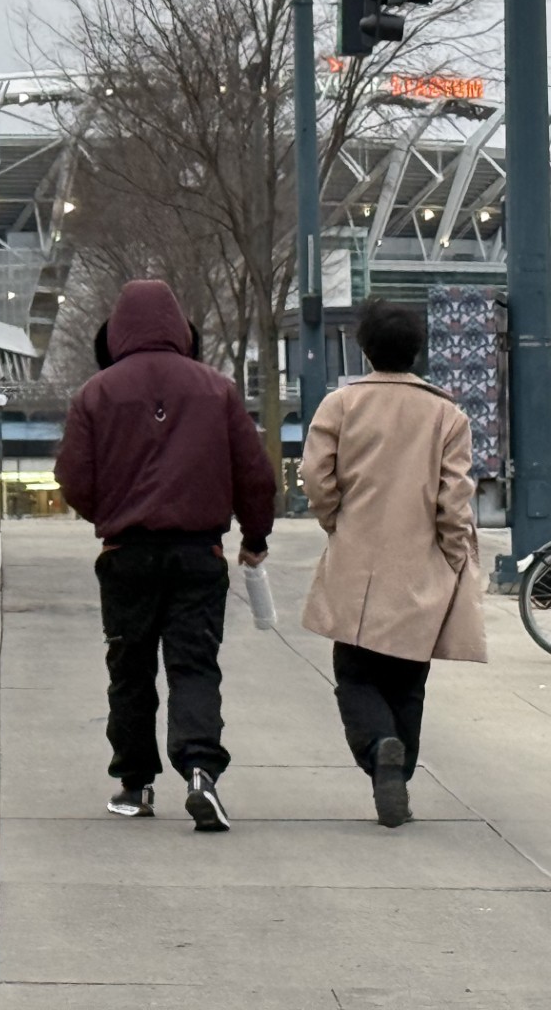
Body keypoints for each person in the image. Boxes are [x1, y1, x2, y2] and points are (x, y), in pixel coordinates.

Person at [56, 280, 276, 831]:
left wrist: (110, 515)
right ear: (182, 331)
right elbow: (254, 475)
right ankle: (201, 770)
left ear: (116, 333)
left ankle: (134, 785)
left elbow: (72, 478)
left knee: (130, 670)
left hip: (126, 554)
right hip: (198, 553)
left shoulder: (95, 394)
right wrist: (254, 536)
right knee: (194, 664)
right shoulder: (218, 390)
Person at [300, 297, 485, 828]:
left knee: (355, 676)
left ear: (364, 348)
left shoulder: (340, 405)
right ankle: (397, 771)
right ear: (418, 350)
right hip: (420, 566)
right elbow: (456, 500)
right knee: (408, 680)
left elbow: (316, 478)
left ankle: (379, 747)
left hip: (357, 562)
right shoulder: (447, 414)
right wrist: (452, 556)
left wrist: (336, 519)